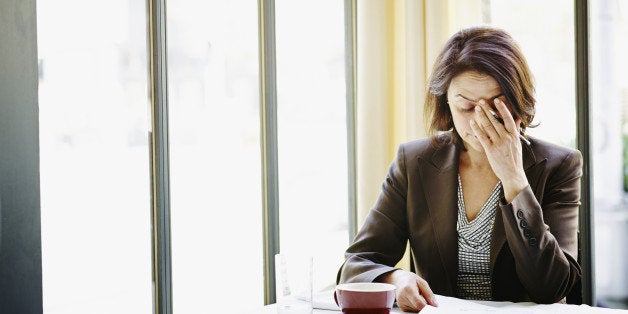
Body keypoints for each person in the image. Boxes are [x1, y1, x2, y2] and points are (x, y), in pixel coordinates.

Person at [337, 26, 582, 312]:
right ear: (446, 105)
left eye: (497, 105)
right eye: (466, 107)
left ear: (518, 103)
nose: (480, 121)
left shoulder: (559, 165)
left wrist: (514, 178)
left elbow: (551, 288)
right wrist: (395, 276)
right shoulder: (414, 162)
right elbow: (354, 267)